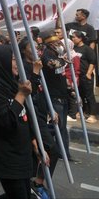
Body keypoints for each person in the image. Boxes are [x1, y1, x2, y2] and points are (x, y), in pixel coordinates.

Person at [0, 45, 41, 199]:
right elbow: (5, 122)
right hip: (8, 158)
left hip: (22, 154)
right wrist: (20, 95)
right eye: (13, 59)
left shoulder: (11, 83)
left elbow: (25, 115)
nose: (17, 63)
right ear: (0, 62)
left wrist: (34, 141)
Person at [19, 37, 58, 199]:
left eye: (37, 46)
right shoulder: (22, 67)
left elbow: (43, 90)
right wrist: (35, 71)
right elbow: (30, 92)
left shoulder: (38, 64)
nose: (36, 48)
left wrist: (51, 108)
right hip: (30, 114)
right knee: (50, 148)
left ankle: (31, 183)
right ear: (23, 50)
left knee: (37, 152)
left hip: (41, 112)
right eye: (32, 46)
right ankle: (37, 182)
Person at [41, 31, 77, 163]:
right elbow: (53, 64)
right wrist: (64, 60)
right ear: (50, 44)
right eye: (57, 42)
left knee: (61, 128)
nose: (60, 43)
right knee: (58, 127)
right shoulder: (47, 55)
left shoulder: (58, 54)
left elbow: (60, 74)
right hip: (54, 97)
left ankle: (62, 152)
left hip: (63, 95)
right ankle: (60, 152)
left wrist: (70, 89)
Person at [71, 31, 97, 123]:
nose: (72, 39)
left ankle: (93, 115)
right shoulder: (73, 48)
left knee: (89, 95)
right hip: (77, 75)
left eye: (74, 37)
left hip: (86, 75)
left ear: (80, 38)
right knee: (80, 94)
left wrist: (89, 73)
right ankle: (82, 111)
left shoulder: (87, 49)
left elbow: (93, 61)